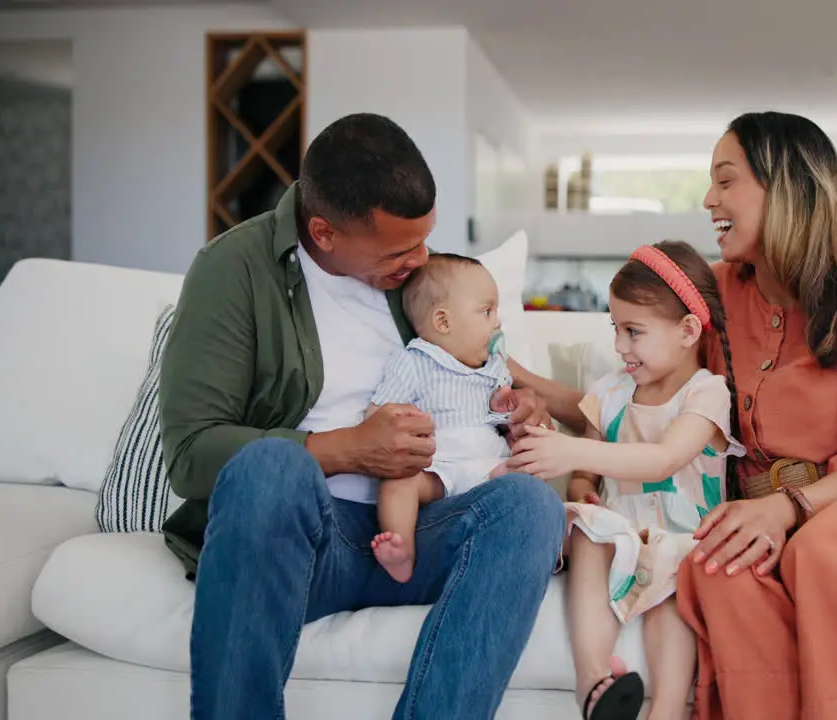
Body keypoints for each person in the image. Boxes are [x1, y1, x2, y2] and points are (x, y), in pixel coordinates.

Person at [512, 111, 837, 720]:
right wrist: (523, 386)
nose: (709, 200)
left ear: (784, 188)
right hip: (769, 516)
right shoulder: (715, 294)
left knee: (824, 548)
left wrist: (784, 510)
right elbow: (639, 391)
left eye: (726, 180)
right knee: (714, 564)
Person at [158, 112, 565, 720]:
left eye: (425, 239)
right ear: (323, 232)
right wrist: (348, 448)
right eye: (400, 249)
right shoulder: (234, 270)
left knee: (530, 506)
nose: (420, 260)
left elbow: (495, 379)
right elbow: (192, 456)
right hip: (305, 542)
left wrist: (514, 409)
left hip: (416, 531)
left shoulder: (419, 283)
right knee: (269, 467)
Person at [510, 241, 744, 720]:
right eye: (615, 328)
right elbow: (586, 474)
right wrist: (580, 487)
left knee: (673, 582)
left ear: (687, 331)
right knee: (586, 530)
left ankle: (669, 707)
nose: (619, 346)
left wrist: (571, 448)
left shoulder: (707, 393)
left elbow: (663, 459)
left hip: (683, 539)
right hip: (622, 534)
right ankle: (594, 681)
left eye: (633, 332)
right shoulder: (611, 392)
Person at [366, 252, 517, 582]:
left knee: (529, 475)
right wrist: (397, 423)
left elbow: (500, 422)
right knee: (398, 481)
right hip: (436, 466)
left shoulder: (494, 368)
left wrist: (505, 408)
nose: (497, 323)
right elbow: (379, 415)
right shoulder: (415, 361)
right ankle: (401, 547)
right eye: (486, 311)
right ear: (444, 322)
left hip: (488, 465)